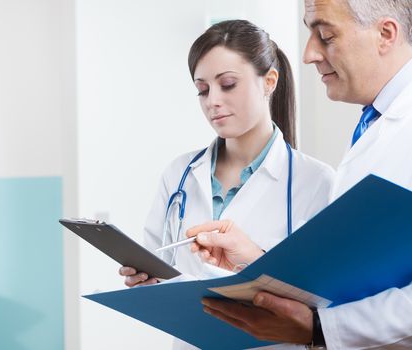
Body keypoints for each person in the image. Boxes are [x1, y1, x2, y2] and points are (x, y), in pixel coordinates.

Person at [189, 1, 412, 348]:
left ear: (385, 34)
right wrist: (256, 264)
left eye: (325, 35)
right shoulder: (375, 124)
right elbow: (359, 272)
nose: (308, 54)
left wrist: (320, 328)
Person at [118, 19, 335, 349]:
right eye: (203, 90)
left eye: (228, 84)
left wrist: (253, 260)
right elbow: (160, 266)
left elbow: (326, 304)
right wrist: (145, 279)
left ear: (269, 82)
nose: (212, 101)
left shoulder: (317, 181)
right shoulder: (179, 173)